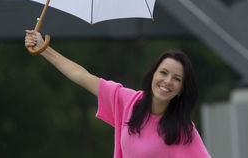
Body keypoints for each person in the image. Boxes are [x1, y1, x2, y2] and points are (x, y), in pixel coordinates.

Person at [24, 30, 211, 158]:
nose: (168, 81)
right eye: (163, 73)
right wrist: (43, 48)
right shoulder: (128, 101)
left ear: (181, 89)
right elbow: (82, 76)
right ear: (153, 74)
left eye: (177, 79)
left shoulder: (183, 130)